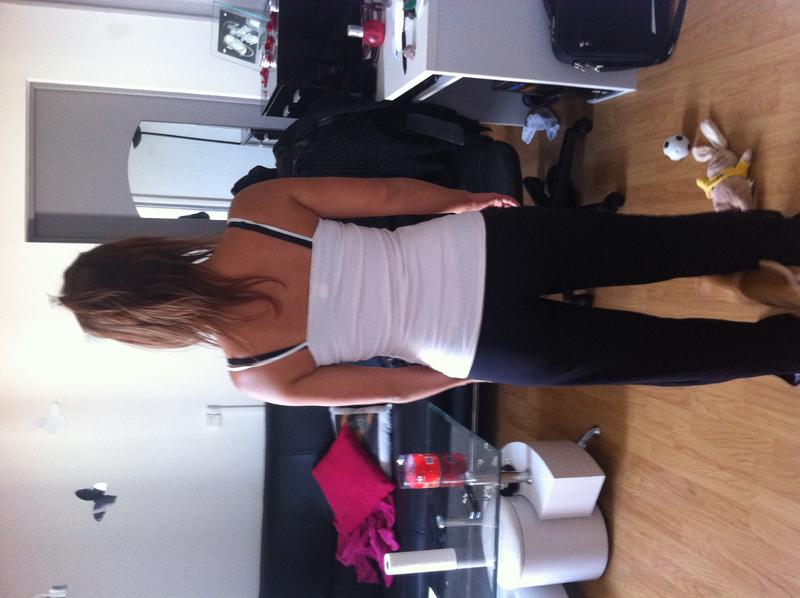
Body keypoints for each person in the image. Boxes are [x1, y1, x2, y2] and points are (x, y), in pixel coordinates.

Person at [58, 177, 800, 407]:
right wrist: (461, 200)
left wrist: (472, 370)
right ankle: (784, 238)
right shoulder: (255, 210)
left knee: (663, 358)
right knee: (657, 247)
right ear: (142, 252)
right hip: (484, 246)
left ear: (145, 331)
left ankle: (784, 347)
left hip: (479, 343)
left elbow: (398, 386)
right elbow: (385, 195)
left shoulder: (258, 376)